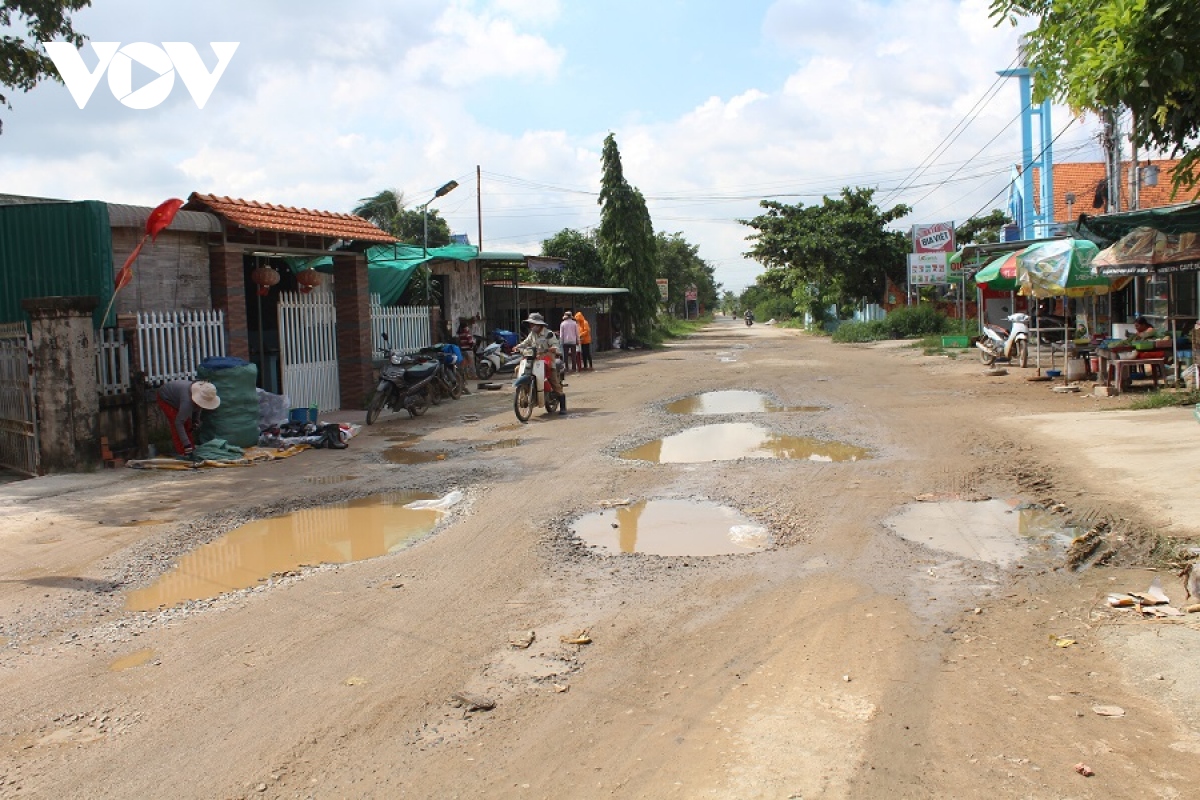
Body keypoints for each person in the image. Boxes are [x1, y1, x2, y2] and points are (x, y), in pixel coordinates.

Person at [513, 312, 566, 414]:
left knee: (553, 382)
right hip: (533, 360)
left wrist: (552, 349)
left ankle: (563, 406)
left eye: (533, 324)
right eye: (530, 324)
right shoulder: (532, 334)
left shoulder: (548, 334)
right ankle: (525, 394)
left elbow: (556, 346)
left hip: (547, 361)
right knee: (517, 369)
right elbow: (525, 343)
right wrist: (517, 347)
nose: (531, 326)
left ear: (539, 324)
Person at [156, 379, 220, 457]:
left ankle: (190, 449)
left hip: (179, 397)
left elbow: (198, 406)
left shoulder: (198, 395)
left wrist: (195, 420)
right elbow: (178, 423)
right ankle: (183, 452)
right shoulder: (187, 401)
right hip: (166, 397)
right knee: (177, 423)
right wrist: (186, 445)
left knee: (187, 424)